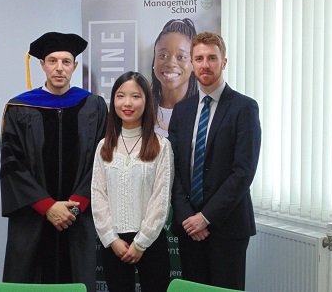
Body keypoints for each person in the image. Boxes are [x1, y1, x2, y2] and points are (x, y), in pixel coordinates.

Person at [0, 32, 107, 292]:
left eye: (66, 61)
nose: (59, 67)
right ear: (42, 65)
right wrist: (47, 206)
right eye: (52, 61)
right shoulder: (19, 108)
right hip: (34, 217)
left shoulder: (93, 105)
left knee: (77, 281)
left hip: (77, 217)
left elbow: (102, 158)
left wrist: (76, 205)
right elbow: (12, 164)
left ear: (74, 66)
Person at [168, 32, 261, 290]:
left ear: (224, 62)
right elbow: (173, 169)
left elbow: (243, 172)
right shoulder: (182, 110)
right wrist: (188, 217)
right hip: (189, 230)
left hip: (228, 227)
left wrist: (206, 217)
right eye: (199, 58)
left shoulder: (244, 108)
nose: (205, 64)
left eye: (212, 58)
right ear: (191, 63)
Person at [91, 71, 174, 292]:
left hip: (151, 243)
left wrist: (141, 242)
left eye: (136, 96)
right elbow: (98, 196)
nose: (127, 103)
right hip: (114, 244)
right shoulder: (104, 146)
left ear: (147, 101)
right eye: (120, 96)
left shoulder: (161, 146)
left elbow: (161, 198)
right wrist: (112, 239)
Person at [151, 18, 198, 137]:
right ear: (154, 61)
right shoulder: (141, 110)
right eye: (163, 55)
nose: (171, 63)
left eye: (181, 57)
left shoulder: (203, 113)